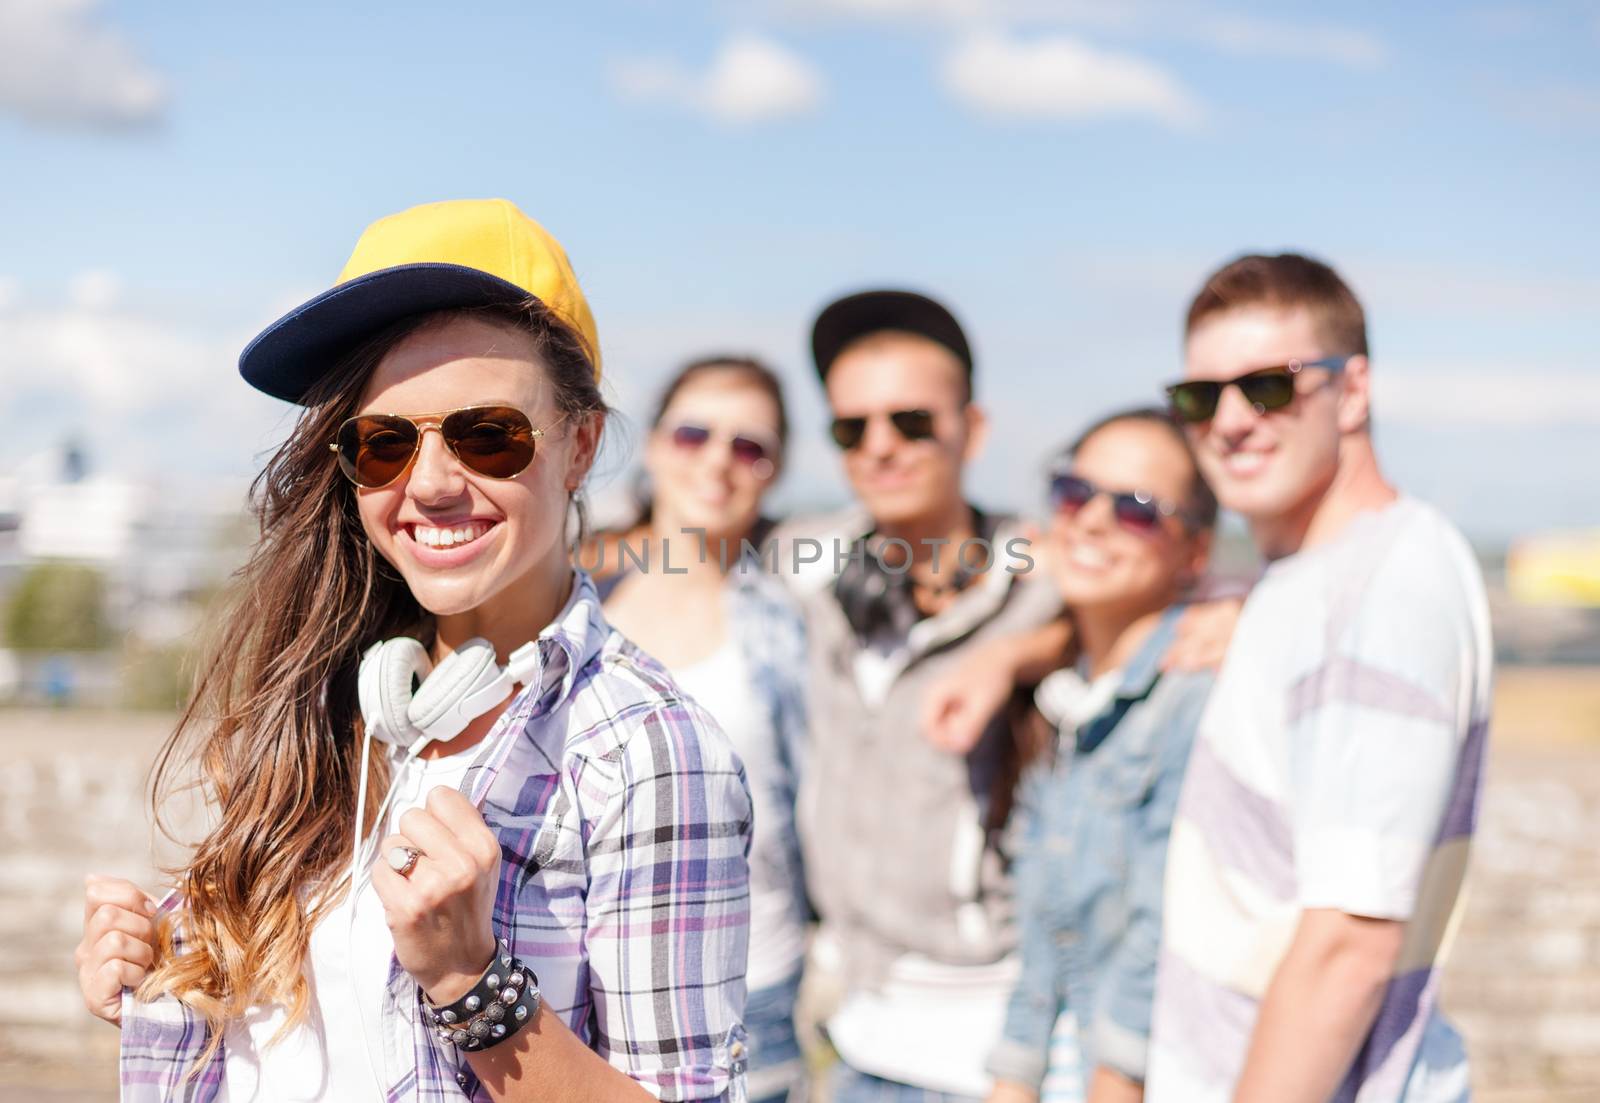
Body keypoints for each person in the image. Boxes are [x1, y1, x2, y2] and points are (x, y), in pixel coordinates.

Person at [73, 198, 753, 1102]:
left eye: (487, 435)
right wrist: (168, 973)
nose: (430, 484)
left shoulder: (647, 750)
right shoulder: (340, 701)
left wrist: (472, 985)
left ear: (580, 444)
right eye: (385, 443)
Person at [1146, 253, 1491, 1103]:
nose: (1228, 421)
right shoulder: (1317, 579)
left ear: (1355, 390)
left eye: (1267, 386)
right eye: (1199, 397)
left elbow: (1349, 946)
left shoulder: (1375, 598)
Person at [775, 290, 1064, 1102]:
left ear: (972, 429)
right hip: (854, 1033)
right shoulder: (812, 567)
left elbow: (1182, 602)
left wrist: (1015, 649)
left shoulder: (1046, 571)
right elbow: (661, 535)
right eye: (850, 428)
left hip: (984, 1051)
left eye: (911, 421)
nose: (879, 448)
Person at [586, 356, 810, 1103]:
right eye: (694, 433)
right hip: (581, 995)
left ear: (774, 471)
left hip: (751, 999)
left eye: (751, 446)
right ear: (651, 446)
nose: (720, 459)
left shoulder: (794, 612)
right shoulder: (571, 599)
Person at [985, 409, 1218, 1103]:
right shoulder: (1062, 699)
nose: (1090, 519)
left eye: (1137, 508)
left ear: (1196, 552)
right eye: (1073, 491)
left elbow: (1164, 923)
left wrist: (1114, 1079)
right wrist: (1013, 1076)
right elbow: (1041, 936)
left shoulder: (1194, 697)